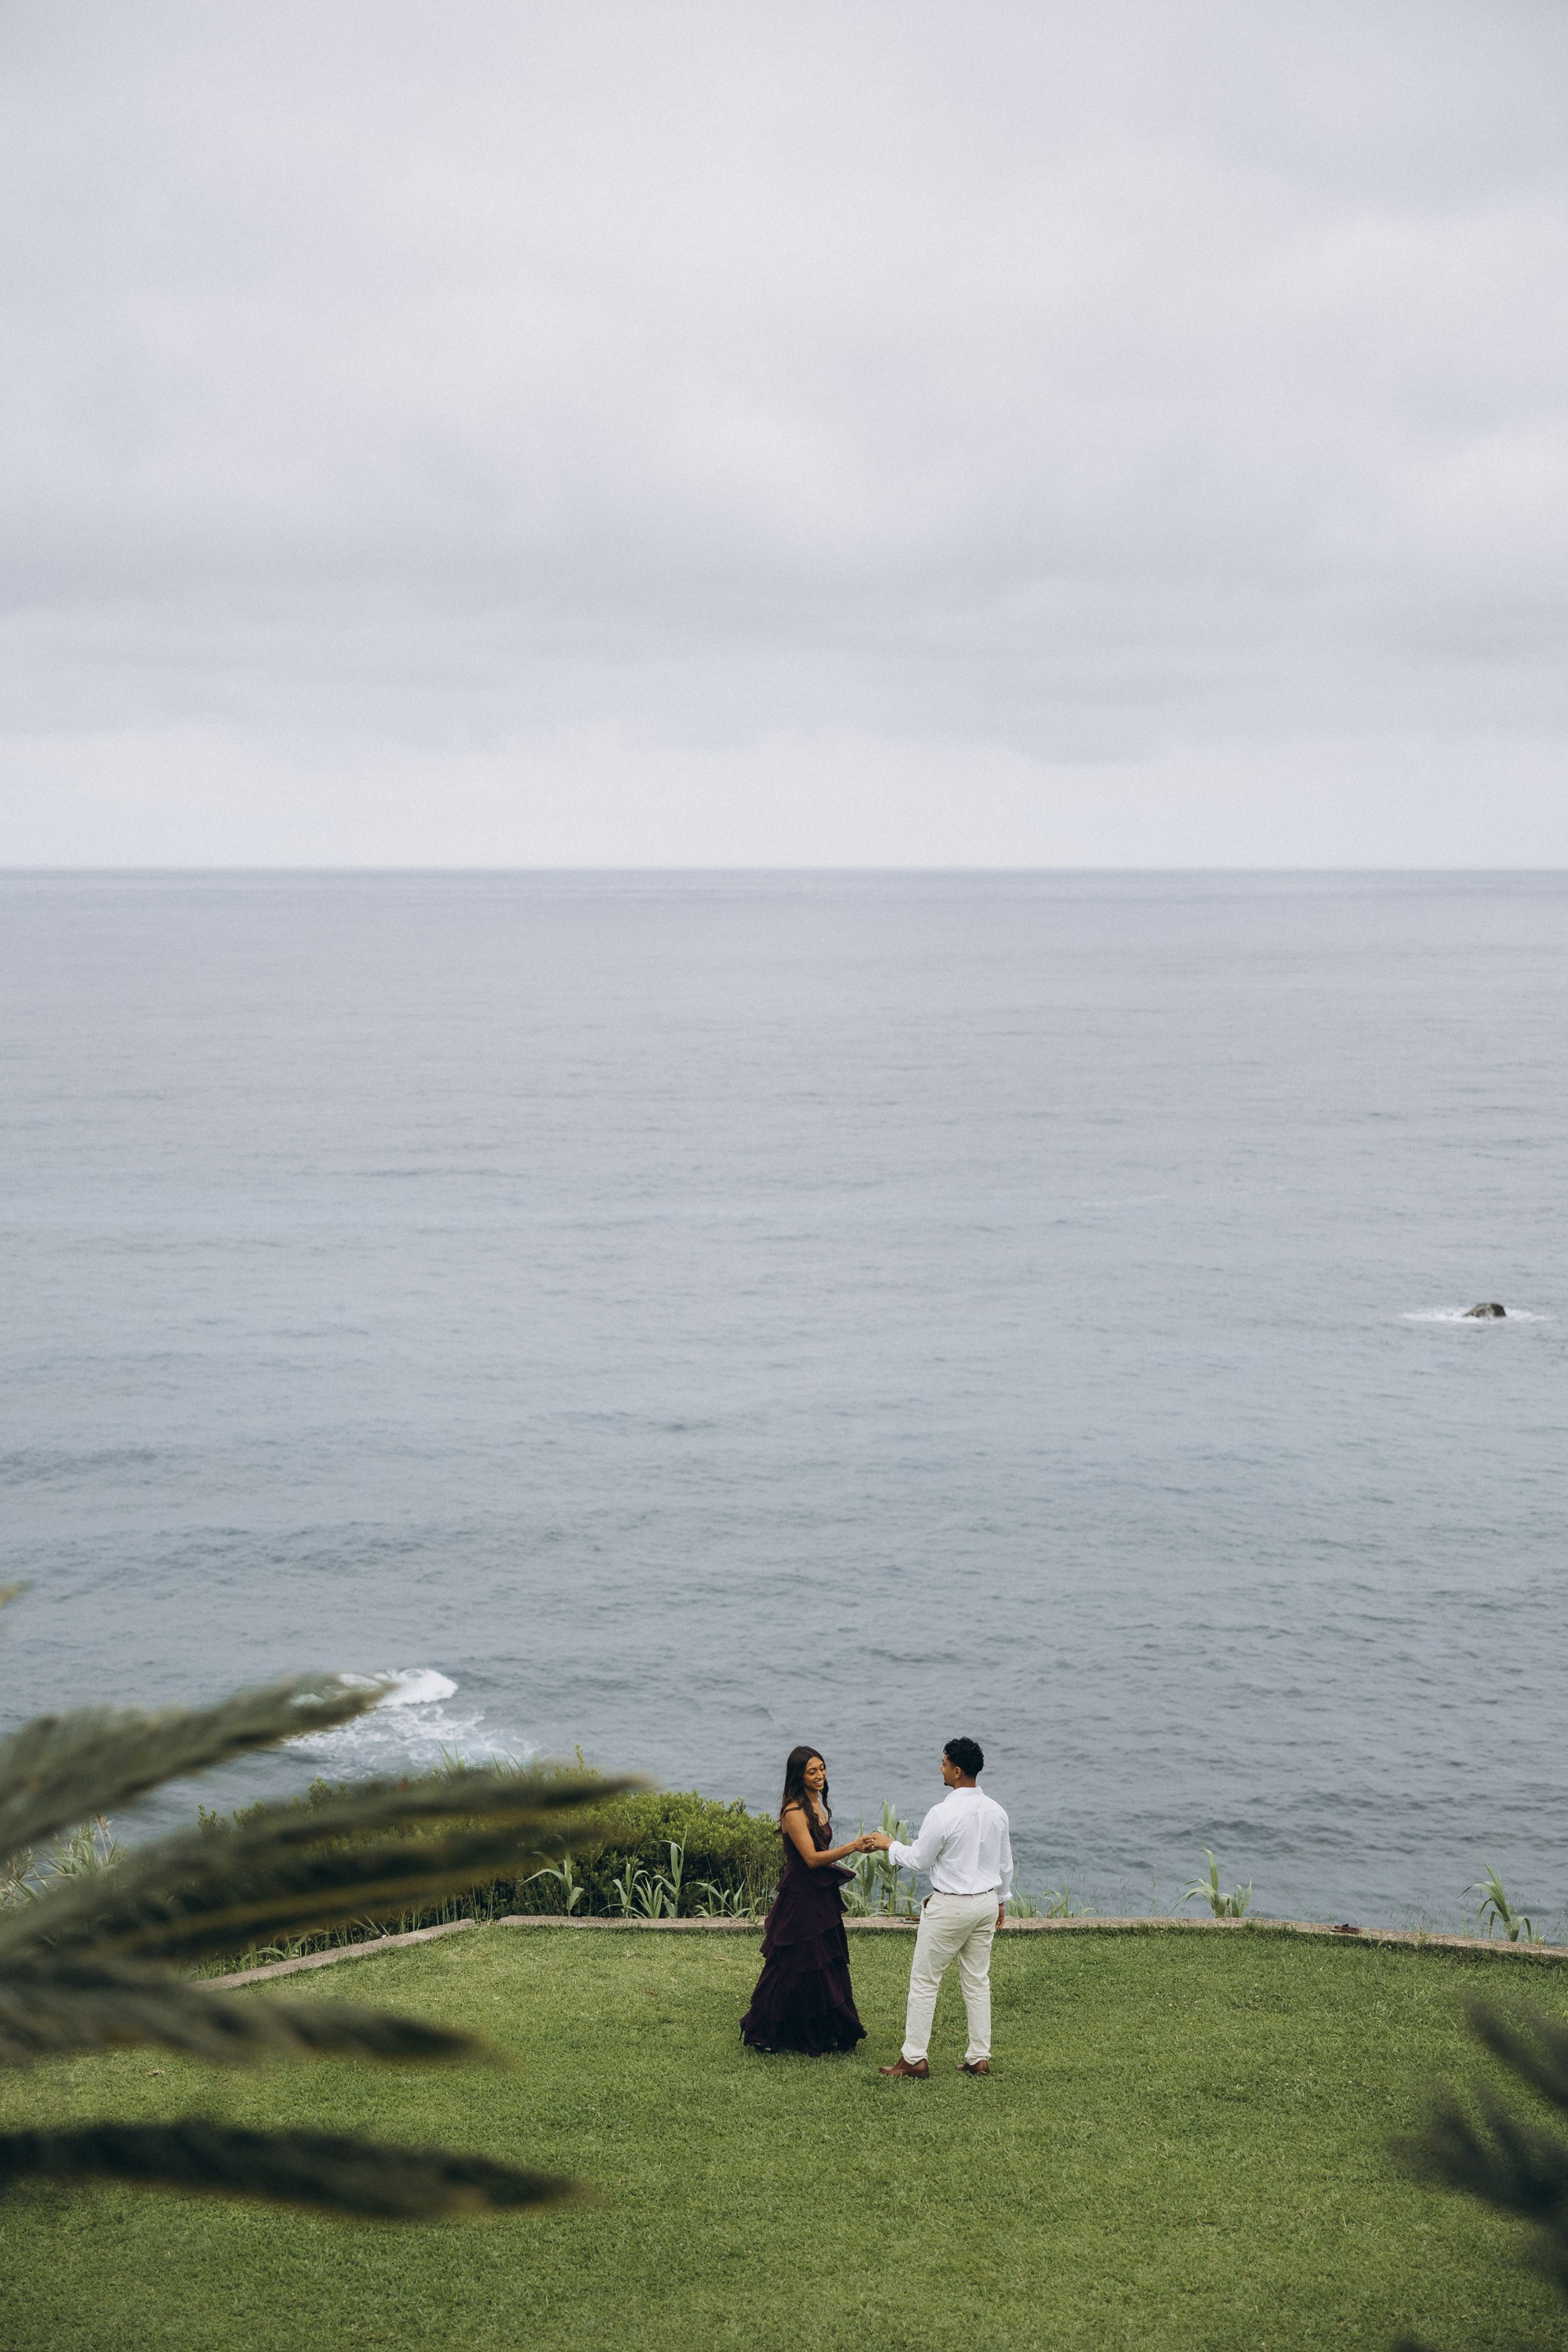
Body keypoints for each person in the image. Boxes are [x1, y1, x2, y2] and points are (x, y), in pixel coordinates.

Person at [864, 1736, 1012, 2078]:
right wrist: (1001, 1901)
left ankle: (915, 2058)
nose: (941, 1768)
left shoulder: (943, 1813)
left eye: (944, 1763)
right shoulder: (997, 1812)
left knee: (925, 1981)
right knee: (977, 1981)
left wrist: (889, 1844)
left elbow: (918, 1859)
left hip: (950, 1906)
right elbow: (1005, 1866)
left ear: (957, 1771)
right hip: (986, 1903)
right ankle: (979, 2057)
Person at [740, 1745, 873, 2056]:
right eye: (812, 1772)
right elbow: (812, 1859)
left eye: (822, 1769)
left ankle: (825, 2028)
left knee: (824, 1961)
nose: (820, 1776)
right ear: (798, 1776)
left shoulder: (817, 1803)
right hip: (800, 1895)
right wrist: (853, 1847)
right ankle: (767, 2029)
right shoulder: (794, 1811)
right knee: (791, 1963)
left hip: (820, 1894)